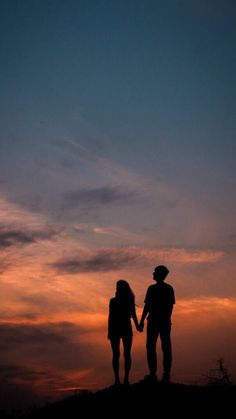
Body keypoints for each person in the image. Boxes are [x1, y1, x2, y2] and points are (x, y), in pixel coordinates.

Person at [139, 265, 175, 383]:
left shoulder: (154, 289)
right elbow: (168, 307)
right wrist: (142, 321)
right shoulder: (167, 288)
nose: (153, 274)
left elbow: (148, 307)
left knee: (157, 347)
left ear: (160, 274)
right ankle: (160, 374)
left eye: (155, 272)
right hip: (160, 321)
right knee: (161, 347)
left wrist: (141, 322)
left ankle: (160, 374)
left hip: (156, 321)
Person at [108, 279, 139, 386]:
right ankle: (121, 379)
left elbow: (111, 317)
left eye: (118, 287)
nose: (116, 289)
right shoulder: (124, 300)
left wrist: (137, 325)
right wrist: (138, 326)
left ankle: (122, 379)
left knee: (120, 354)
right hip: (121, 328)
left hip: (119, 328)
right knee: (122, 354)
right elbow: (133, 314)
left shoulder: (116, 301)